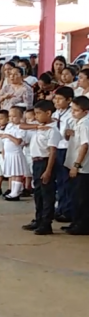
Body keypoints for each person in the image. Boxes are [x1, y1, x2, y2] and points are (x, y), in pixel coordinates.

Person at [20, 100, 61, 234]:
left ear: (48, 113)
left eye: (38, 113)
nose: (36, 116)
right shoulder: (39, 125)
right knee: (38, 194)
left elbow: (53, 151)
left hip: (45, 161)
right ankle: (38, 219)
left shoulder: (52, 129)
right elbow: (22, 126)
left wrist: (48, 170)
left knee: (47, 194)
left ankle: (46, 223)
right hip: (36, 162)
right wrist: (36, 127)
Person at [64, 95, 89, 234]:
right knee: (74, 195)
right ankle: (75, 222)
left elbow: (85, 145)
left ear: (85, 112)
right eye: (72, 110)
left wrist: (76, 165)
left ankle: (82, 225)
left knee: (81, 198)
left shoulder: (85, 123)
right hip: (75, 162)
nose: (73, 113)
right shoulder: (78, 122)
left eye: (76, 110)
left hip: (82, 167)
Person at [52, 86, 74, 223]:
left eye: (60, 99)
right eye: (56, 99)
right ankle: (60, 207)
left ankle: (67, 210)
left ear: (69, 100)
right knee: (58, 180)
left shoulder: (71, 114)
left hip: (66, 148)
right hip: (56, 148)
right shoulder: (54, 114)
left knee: (66, 180)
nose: (57, 101)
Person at [0, 106, 29, 201]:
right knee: (12, 173)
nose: (11, 118)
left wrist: (7, 135)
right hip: (9, 153)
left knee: (17, 173)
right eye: (10, 116)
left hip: (16, 153)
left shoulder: (21, 127)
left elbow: (18, 142)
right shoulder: (9, 125)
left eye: (14, 116)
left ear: (21, 117)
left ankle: (16, 192)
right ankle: (13, 191)